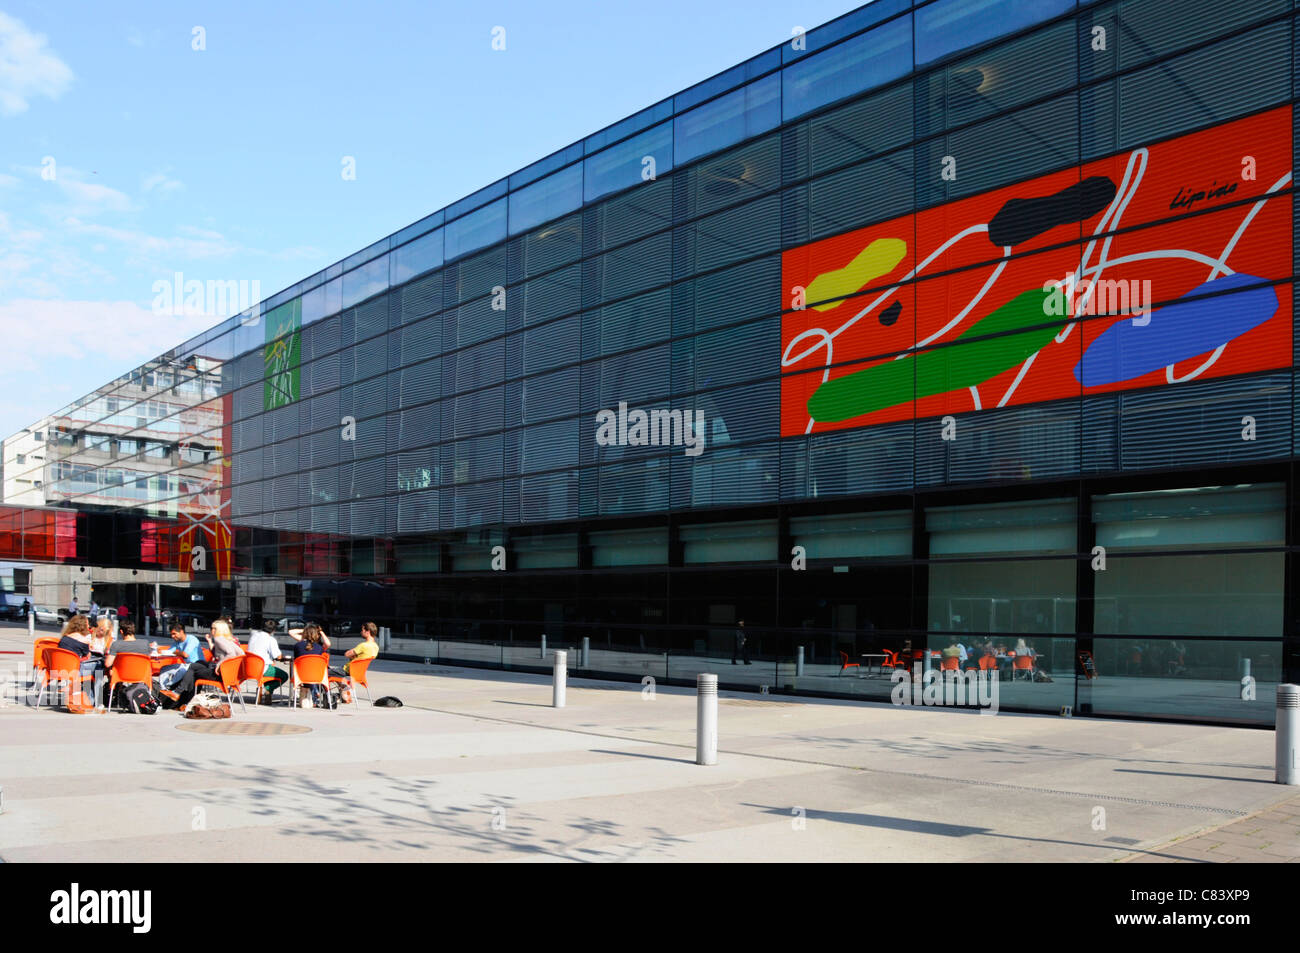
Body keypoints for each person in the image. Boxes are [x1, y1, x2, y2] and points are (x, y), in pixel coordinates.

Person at [159, 620, 244, 708]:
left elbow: (231, 654)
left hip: (219, 674)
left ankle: (179, 695)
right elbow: (241, 654)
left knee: (192, 668)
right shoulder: (228, 640)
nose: (211, 630)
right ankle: (185, 702)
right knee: (194, 669)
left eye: (213, 628)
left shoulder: (219, 639)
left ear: (219, 629)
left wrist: (220, 664)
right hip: (229, 675)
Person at [329, 622, 379, 703]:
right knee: (338, 675)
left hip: (347, 671)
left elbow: (347, 654)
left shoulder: (363, 645)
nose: (361, 632)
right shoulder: (376, 647)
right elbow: (362, 658)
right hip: (358, 674)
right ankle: (345, 695)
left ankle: (320, 696)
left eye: (362, 630)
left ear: (368, 631)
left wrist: (353, 656)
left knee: (323, 673)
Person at [154, 621, 205, 693]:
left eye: (174, 634)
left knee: (182, 669)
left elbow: (185, 654)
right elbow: (169, 652)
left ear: (181, 632)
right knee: (164, 668)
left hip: (197, 665)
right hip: (186, 664)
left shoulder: (191, 639)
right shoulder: (177, 642)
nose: (172, 636)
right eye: (171, 634)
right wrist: (159, 651)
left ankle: (171, 688)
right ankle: (163, 690)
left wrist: (174, 652)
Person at [289, 623, 330, 707]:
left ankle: (312, 696)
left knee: (306, 673)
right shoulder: (320, 647)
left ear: (305, 633)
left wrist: (305, 631)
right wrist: (321, 632)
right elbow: (328, 644)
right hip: (317, 676)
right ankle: (315, 696)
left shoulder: (298, 645)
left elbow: (291, 632)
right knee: (313, 674)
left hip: (300, 676)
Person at [248, 619, 288, 705]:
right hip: (262, 669)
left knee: (270, 671)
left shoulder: (253, 635)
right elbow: (277, 656)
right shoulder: (270, 639)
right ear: (274, 630)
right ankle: (269, 689)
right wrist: (283, 657)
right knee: (284, 676)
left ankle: (265, 693)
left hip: (248, 668)